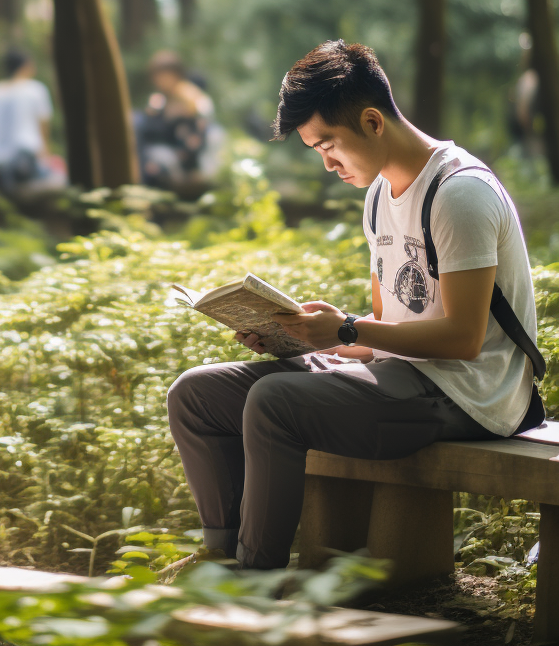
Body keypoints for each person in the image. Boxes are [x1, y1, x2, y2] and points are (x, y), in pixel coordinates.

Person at [166, 39, 540, 570]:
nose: (327, 164)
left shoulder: (459, 192)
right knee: (195, 395)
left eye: (328, 145)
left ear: (371, 121)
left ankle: (253, 580)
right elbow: (389, 326)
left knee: (275, 403)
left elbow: (463, 338)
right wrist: (302, 337)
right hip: (404, 375)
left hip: (470, 393)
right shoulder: (379, 196)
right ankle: (218, 558)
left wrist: (345, 331)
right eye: (317, 152)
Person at [0, 48, 63, 197]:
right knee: (59, 175)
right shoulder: (35, 89)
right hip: (21, 161)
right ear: (26, 66)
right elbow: (43, 132)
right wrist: (46, 158)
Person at [135, 50, 217, 190]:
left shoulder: (191, 98)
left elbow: (201, 129)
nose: (161, 82)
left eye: (165, 76)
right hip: (166, 150)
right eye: (158, 77)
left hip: (188, 156)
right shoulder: (160, 99)